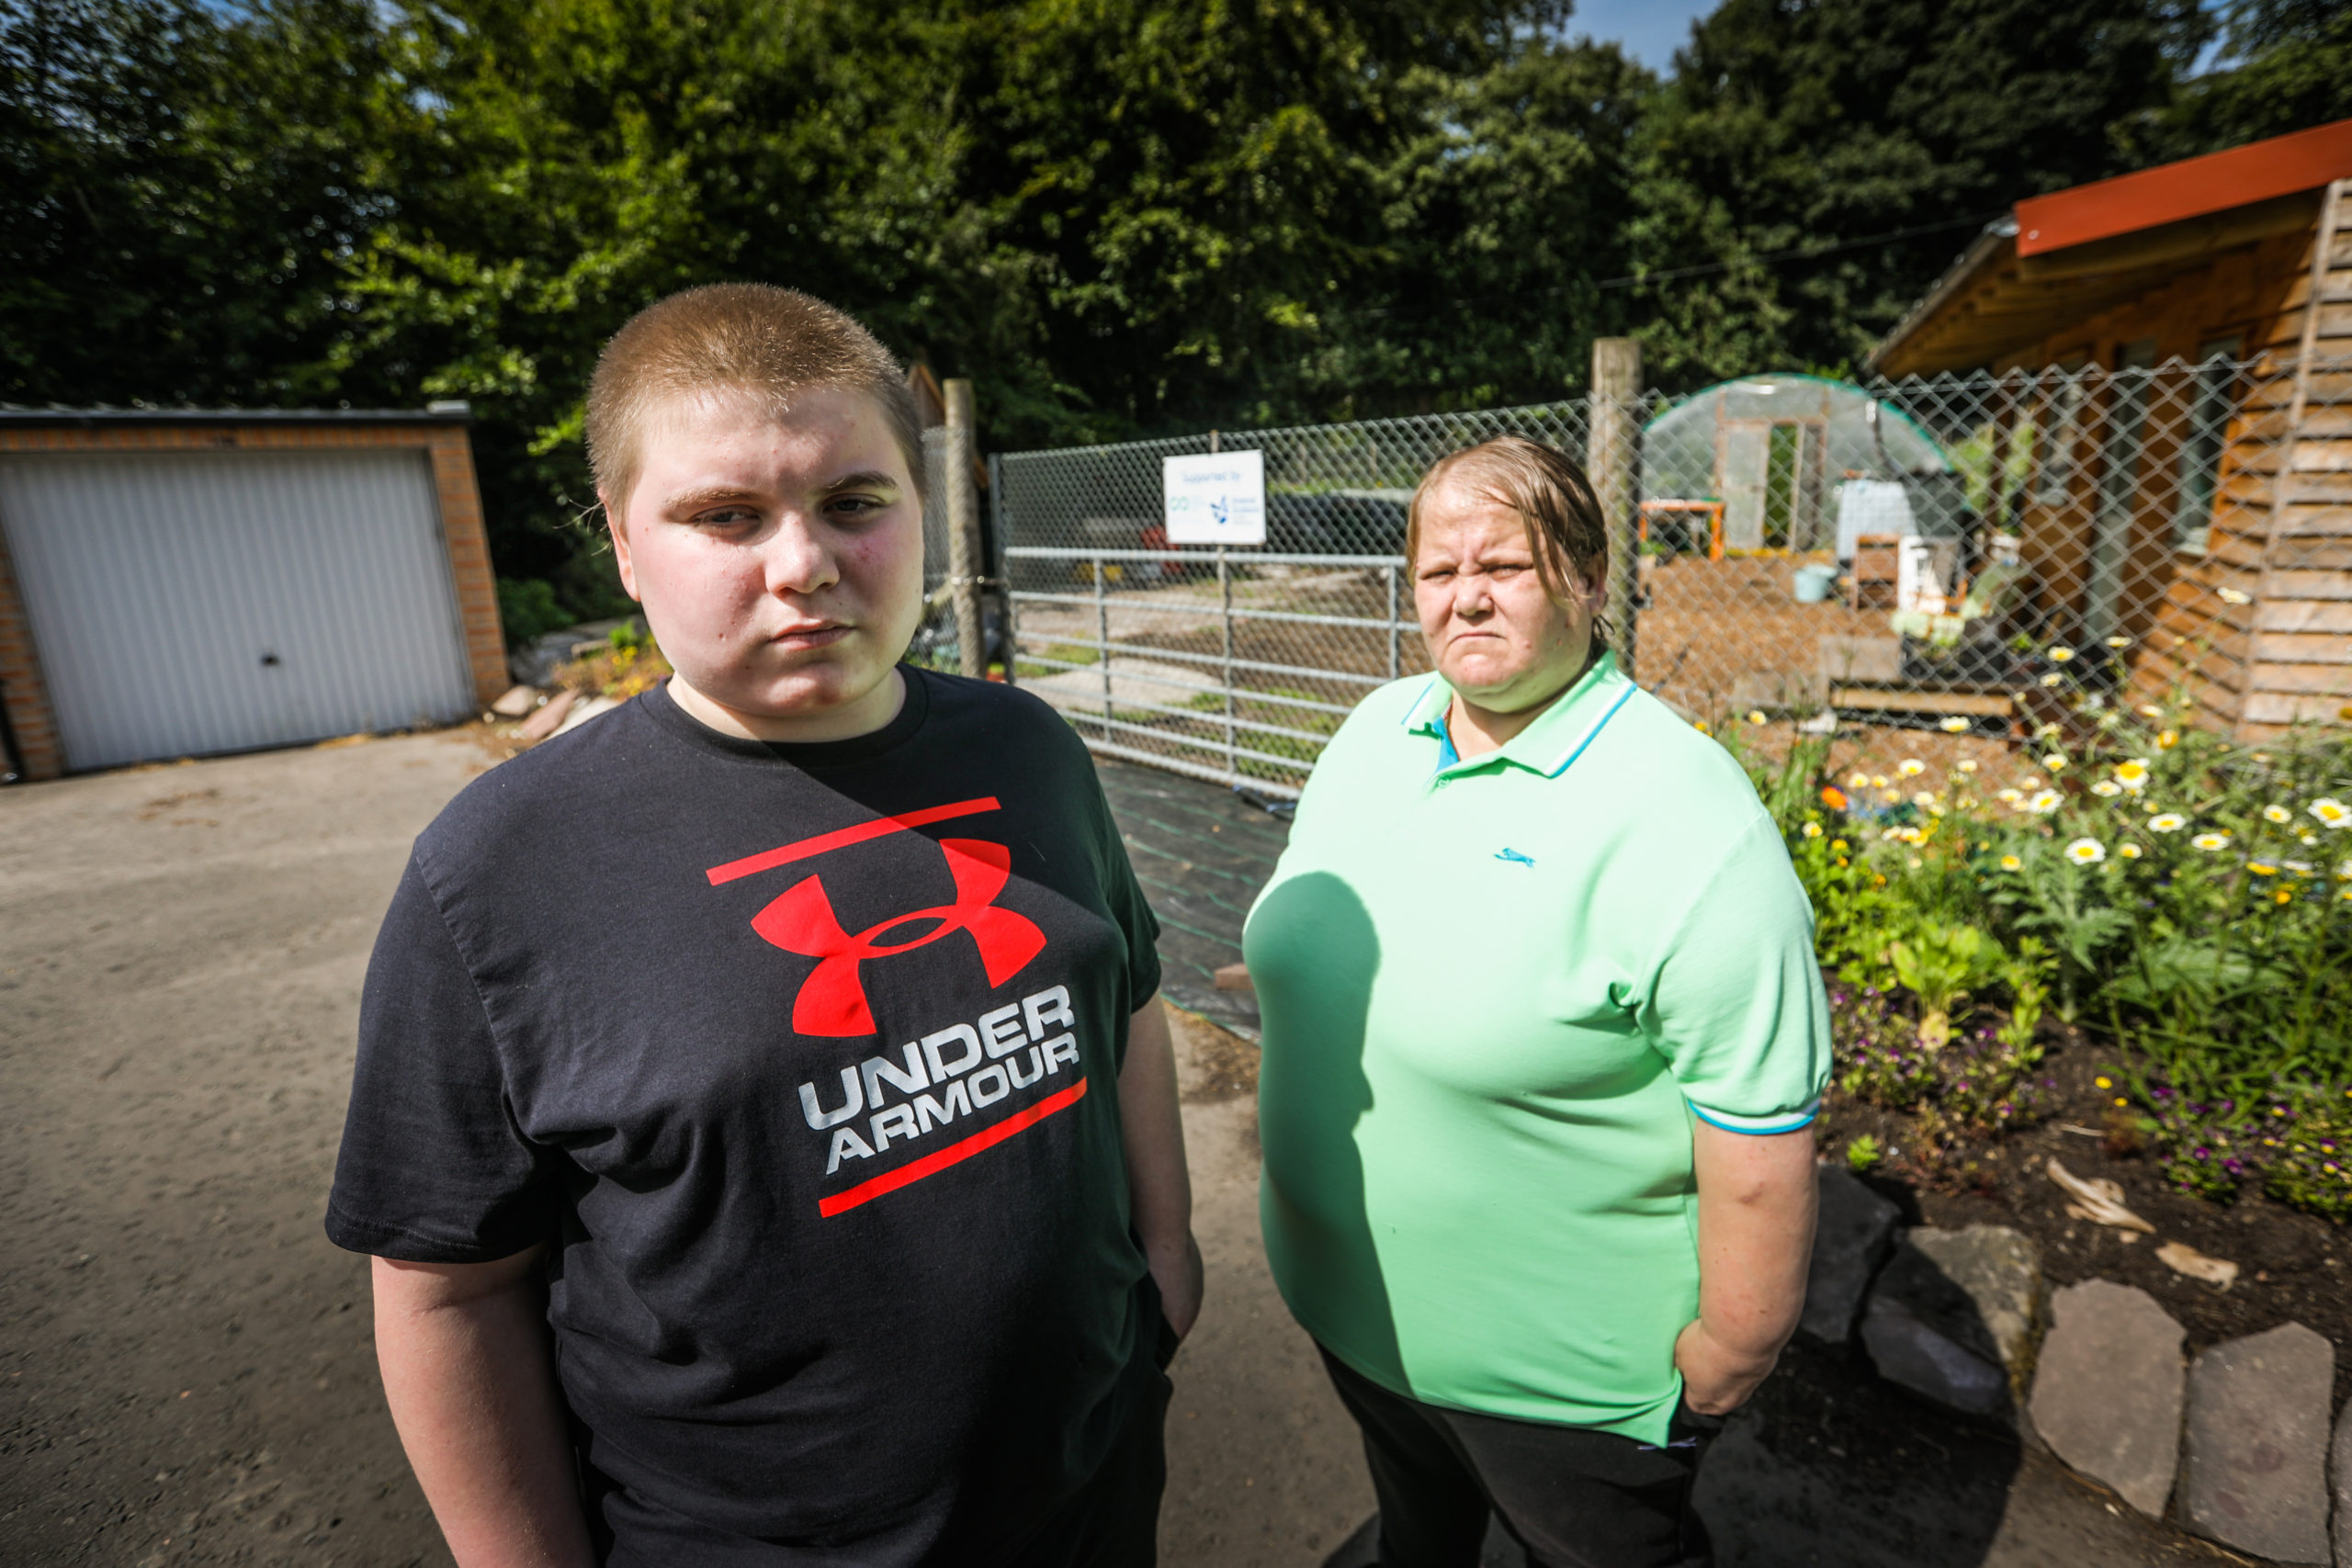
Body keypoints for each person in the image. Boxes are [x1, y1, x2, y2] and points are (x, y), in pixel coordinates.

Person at [326, 283, 1202, 1568]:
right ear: (624, 544)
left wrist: (1167, 1254)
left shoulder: (1029, 748)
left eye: (855, 501)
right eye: (724, 516)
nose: (802, 563)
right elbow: (447, 1283)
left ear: (922, 512)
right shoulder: (501, 869)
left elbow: (1121, 1011)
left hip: (1094, 1485)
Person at [1243, 436, 1826, 1568]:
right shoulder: (1378, 727)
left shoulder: (1682, 818)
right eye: (1436, 571)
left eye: (1503, 565)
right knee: (1422, 1531)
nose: (1464, 599)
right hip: (1354, 1315)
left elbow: (1758, 1133)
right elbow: (1334, 919)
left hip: (1555, 1382)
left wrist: (1733, 1347)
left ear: (1590, 580)